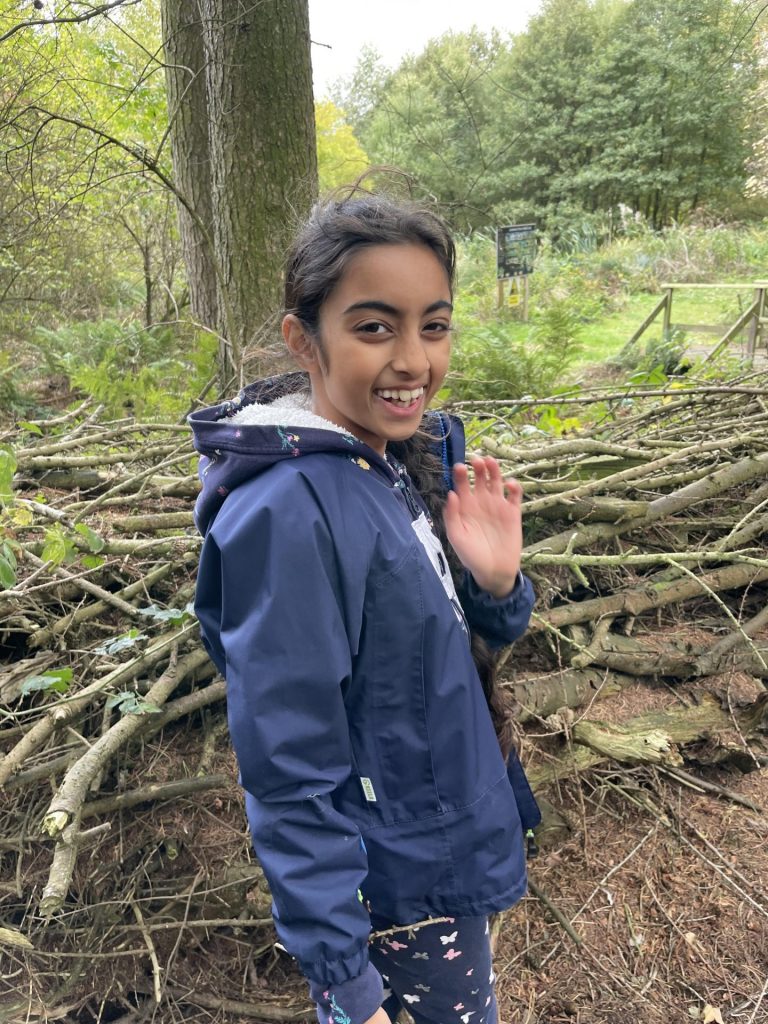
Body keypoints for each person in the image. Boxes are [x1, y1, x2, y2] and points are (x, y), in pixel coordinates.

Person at [191, 188, 540, 1024]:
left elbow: (426, 655)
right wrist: (344, 982)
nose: (414, 359)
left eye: (434, 325)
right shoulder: (289, 514)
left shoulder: (391, 461)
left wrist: (495, 586)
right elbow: (289, 771)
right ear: (302, 338)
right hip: (396, 893)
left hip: (439, 853)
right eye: (375, 327)